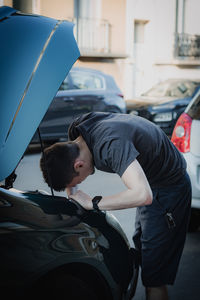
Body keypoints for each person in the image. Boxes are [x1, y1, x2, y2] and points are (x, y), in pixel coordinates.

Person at [40, 112, 191, 300]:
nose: (76, 183)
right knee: (144, 251)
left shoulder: (111, 145)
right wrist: (72, 194)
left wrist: (93, 203)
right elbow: (66, 164)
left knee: (154, 277)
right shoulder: (78, 131)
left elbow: (143, 195)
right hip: (150, 180)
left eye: (75, 181)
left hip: (168, 188)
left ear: (78, 165)